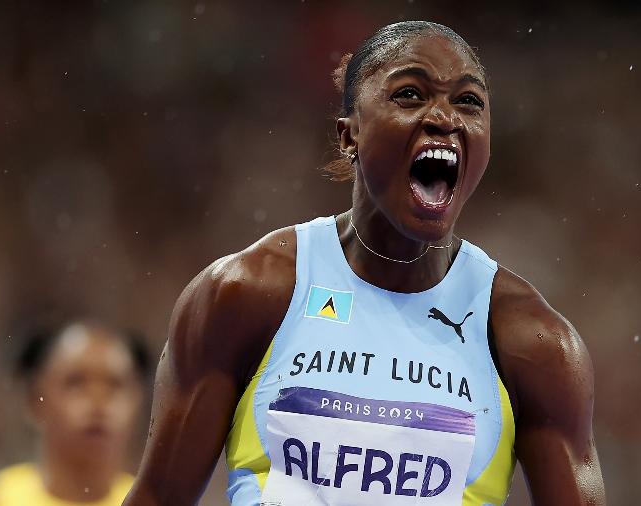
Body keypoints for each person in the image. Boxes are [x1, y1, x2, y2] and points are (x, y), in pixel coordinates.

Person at [124, 20, 605, 506]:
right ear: (349, 135)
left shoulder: (532, 341)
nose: (445, 117)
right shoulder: (246, 294)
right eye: (411, 94)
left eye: (468, 101)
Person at [0, 321, 150, 506]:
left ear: (137, 402)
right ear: (35, 400)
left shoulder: (154, 503)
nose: (98, 402)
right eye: (76, 382)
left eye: (114, 385)